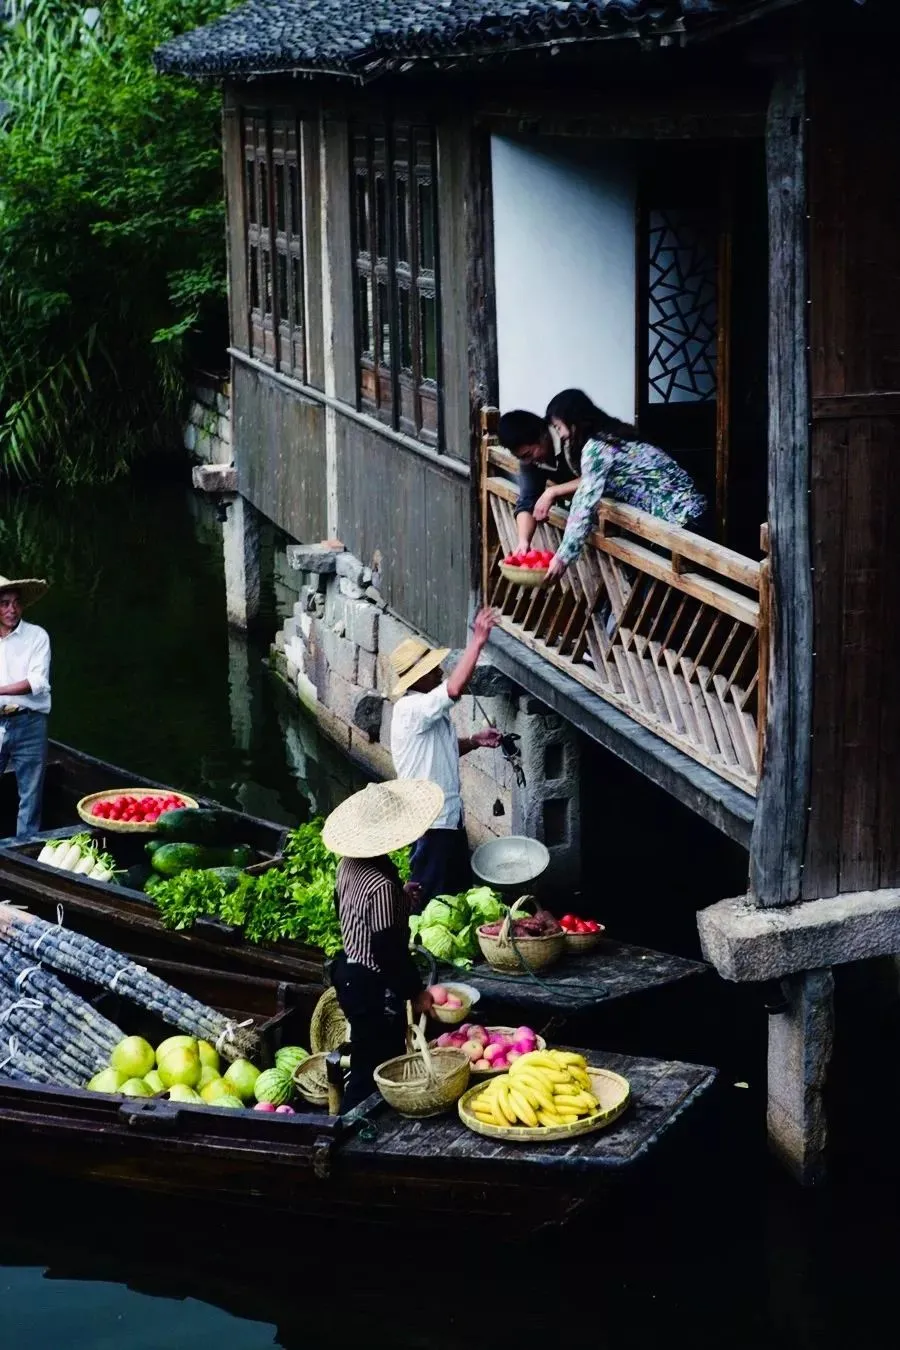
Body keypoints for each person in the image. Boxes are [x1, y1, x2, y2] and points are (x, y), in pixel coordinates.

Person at [322, 778, 444, 1113]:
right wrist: (416, 993)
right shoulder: (380, 886)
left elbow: (349, 908)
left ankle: (379, 1112)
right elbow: (388, 951)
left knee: (381, 1048)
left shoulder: (349, 864)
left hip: (348, 967)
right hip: (365, 980)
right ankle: (347, 1124)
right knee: (368, 1061)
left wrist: (401, 898)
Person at [389, 607, 502, 904]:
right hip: (430, 823)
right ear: (419, 677)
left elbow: (441, 751)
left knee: (457, 897)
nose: (440, 671)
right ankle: (420, 949)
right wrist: (477, 641)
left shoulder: (427, 711)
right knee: (430, 901)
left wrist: (475, 741)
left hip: (450, 820)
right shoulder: (411, 709)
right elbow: (453, 688)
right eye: (434, 669)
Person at [542, 389, 706, 579]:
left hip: (681, 520)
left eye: (558, 427)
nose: (560, 435)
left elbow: (584, 505)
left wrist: (563, 557)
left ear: (573, 420)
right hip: (692, 514)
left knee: (662, 593)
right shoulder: (615, 435)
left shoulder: (597, 448)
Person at [0, 573, 51, 838]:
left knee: (30, 795)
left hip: (29, 721)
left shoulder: (36, 637)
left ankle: (24, 852)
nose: (12, 609)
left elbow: (37, 682)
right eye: (5, 603)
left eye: (16, 603)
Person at [497, 408, 581, 553]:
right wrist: (524, 542)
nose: (528, 461)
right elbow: (527, 500)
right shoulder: (529, 461)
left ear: (543, 436)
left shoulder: (572, 438)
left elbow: (597, 476)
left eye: (529, 454)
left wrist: (553, 492)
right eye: (522, 457)